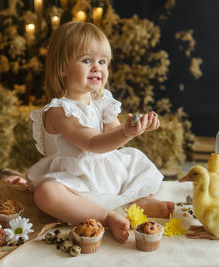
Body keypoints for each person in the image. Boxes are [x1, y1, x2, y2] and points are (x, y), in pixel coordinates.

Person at [26, 21, 174, 243]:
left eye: (103, 61)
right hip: (76, 182)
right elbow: (92, 143)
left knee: (136, 165)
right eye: (87, 60)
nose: (97, 68)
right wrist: (126, 133)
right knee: (45, 194)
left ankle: (136, 204)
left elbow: (113, 136)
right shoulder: (59, 110)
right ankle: (106, 215)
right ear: (62, 68)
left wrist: (133, 128)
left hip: (106, 173)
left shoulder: (102, 100)